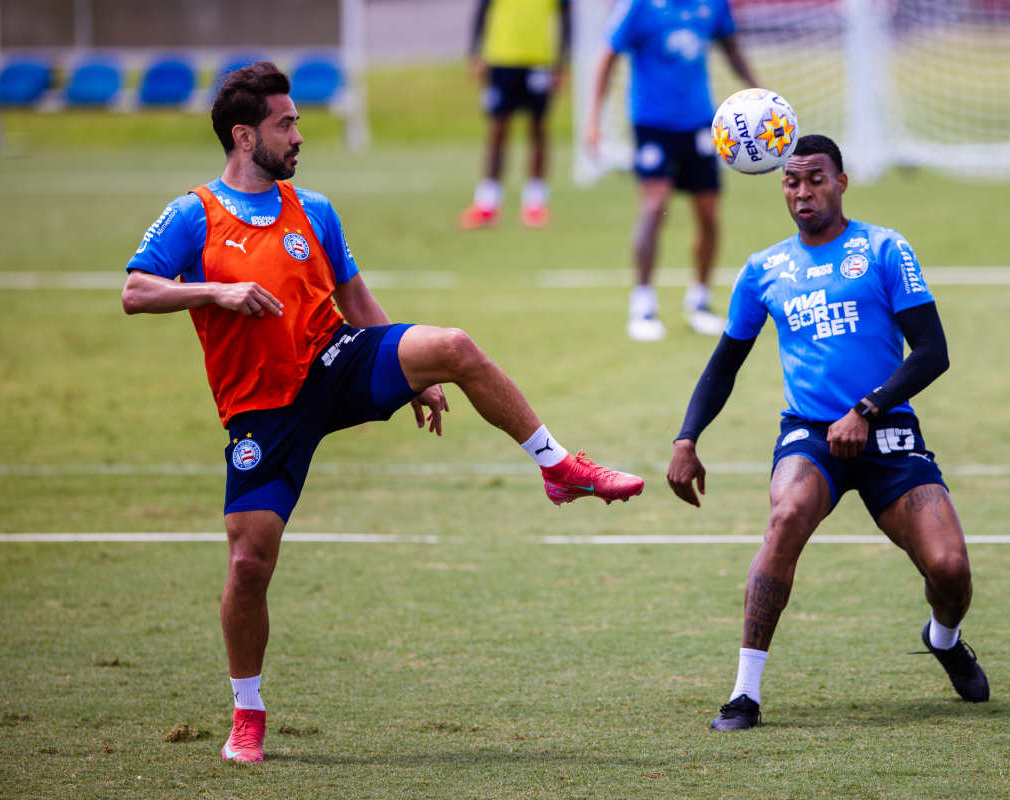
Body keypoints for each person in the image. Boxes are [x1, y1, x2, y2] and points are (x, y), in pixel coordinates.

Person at [121, 62, 644, 763]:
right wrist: (216, 293)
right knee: (249, 563)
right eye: (286, 124)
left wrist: (417, 376)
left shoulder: (317, 210)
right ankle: (248, 712)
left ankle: (557, 466)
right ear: (245, 136)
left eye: (298, 120)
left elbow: (358, 302)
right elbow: (134, 290)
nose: (299, 134)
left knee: (454, 346)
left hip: (336, 362)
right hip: (262, 410)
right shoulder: (195, 215)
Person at [666, 134, 989, 731]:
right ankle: (745, 693)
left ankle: (944, 639)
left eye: (816, 178)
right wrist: (687, 439)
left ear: (842, 182)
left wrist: (866, 409)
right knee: (785, 516)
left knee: (949, 569)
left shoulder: (885, 250)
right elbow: (724, 365)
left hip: (886, 430)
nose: (803, 192)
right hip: (811, 436)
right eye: (792, 182)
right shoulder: (765, 269)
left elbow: (933, 353)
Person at [586, 0, 757, 341]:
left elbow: (731, 47)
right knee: (654, 207)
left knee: (708, 214)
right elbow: (608, 55)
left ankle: (700, 301)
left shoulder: (713, 5)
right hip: (652, 124)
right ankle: (643, 304)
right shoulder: (639, 7)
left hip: (700, 123)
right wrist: (594, 119)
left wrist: (758, 90)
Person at [458, 0, 570, 229]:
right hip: (501, 57)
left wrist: (562, 61)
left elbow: (565, 15)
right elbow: (482, 10)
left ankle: (535, 203)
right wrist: (475, 52)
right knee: (498, 129)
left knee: (538, 129)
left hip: (540, 58)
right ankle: (488, 202)